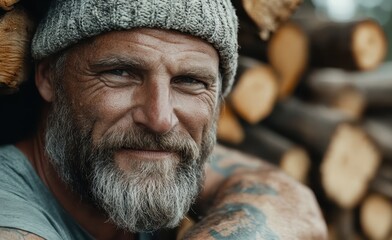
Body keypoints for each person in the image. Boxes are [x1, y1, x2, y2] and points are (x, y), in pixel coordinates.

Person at [0, 0, 327, 239]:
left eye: (190, 81)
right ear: (48, 78)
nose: (160, 119)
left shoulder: (150, 165)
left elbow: (290, 201)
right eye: (121, 73)